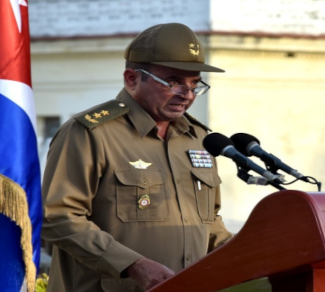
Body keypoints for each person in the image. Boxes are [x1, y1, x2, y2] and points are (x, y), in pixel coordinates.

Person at [41, 23, 234, 292]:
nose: (187, 95)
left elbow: (208, 222)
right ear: (132, 79)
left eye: (194, 83)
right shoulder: (91, 133)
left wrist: (259, 253)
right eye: (174, 82)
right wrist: (132, 264)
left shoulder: (198, 138)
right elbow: (56, 216)